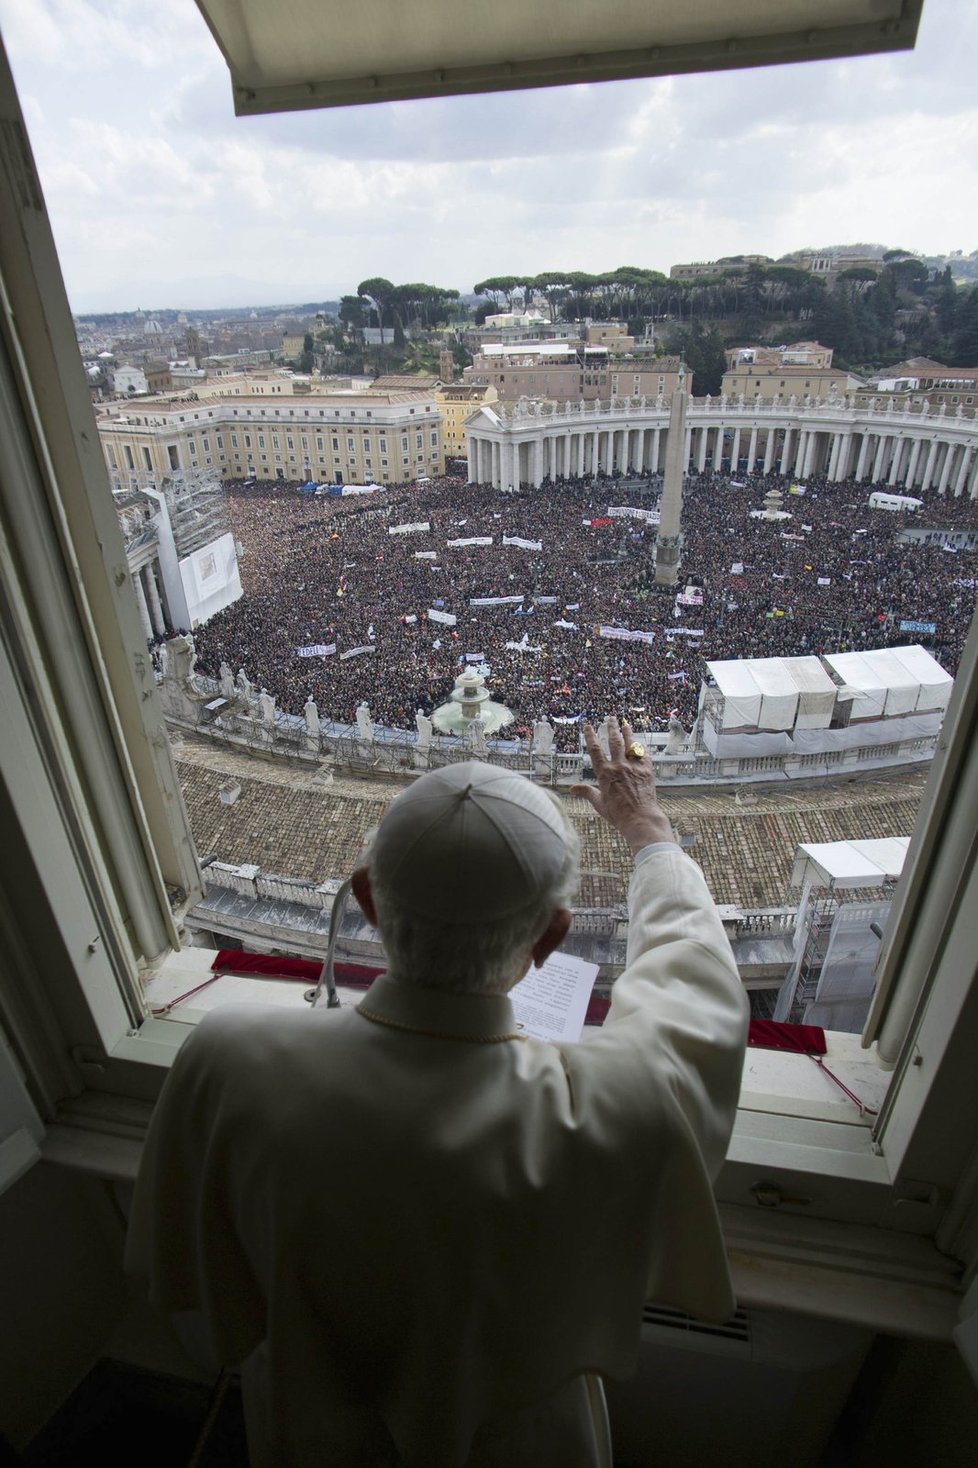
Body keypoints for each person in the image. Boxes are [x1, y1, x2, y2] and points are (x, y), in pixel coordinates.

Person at [125, 717, 748, 1467]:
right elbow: (695, 993)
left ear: (368, 900)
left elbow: (194, 1284)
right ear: (550, 940)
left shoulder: (227, 1058)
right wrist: (650, 833)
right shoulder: (615, 1108)